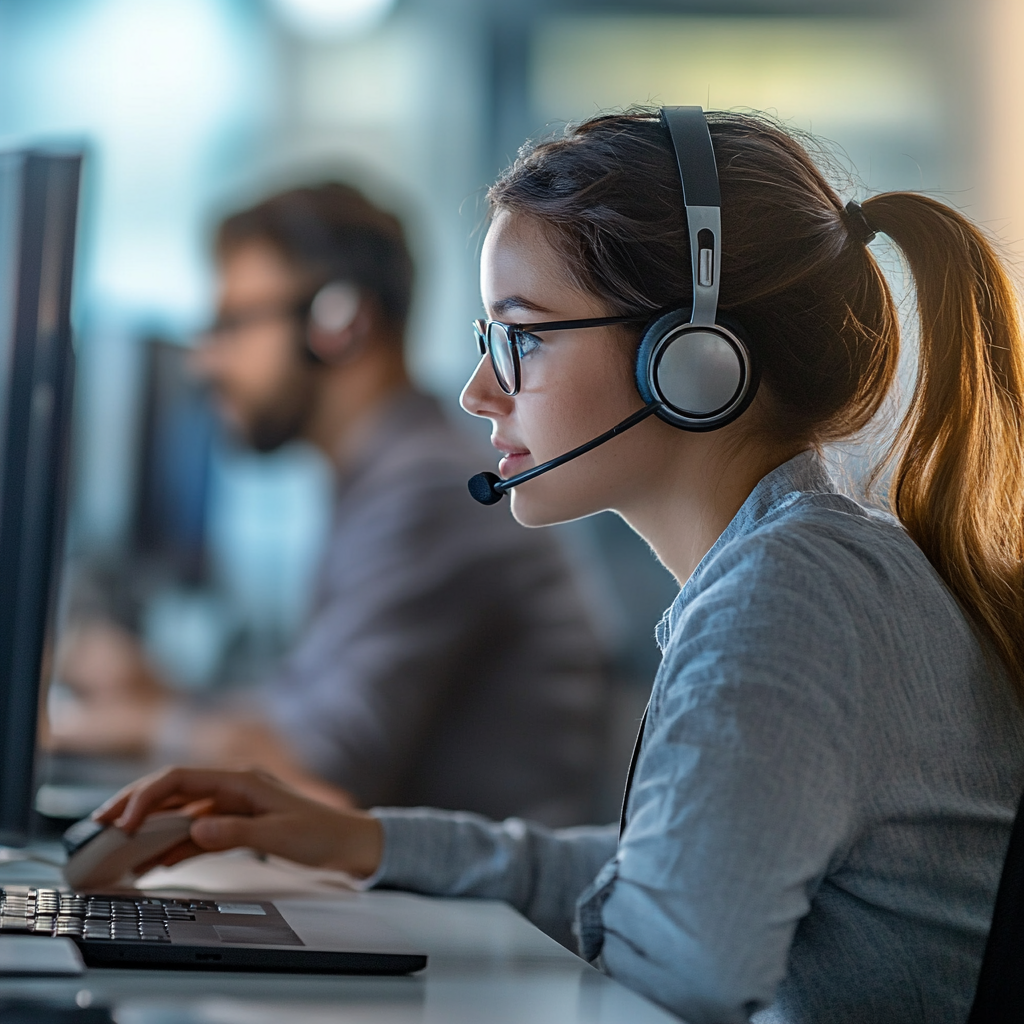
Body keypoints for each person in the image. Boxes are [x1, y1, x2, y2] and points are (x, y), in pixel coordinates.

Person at [94, 108, 1024, 1024]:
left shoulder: (790, 597)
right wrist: (371, 845)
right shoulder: (802, 565)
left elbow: (668, 978)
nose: (478, 390)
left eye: (524, 335)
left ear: (691, 360)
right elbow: (658, 881)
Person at [51, 182, 609, 828]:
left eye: (231, 324)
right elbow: (302, 715)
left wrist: (122, 723)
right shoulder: (385, 480)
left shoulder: (430, 492)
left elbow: (313, 766)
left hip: (473, 914)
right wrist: (164, 699)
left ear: (340, 323)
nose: (204, 363)